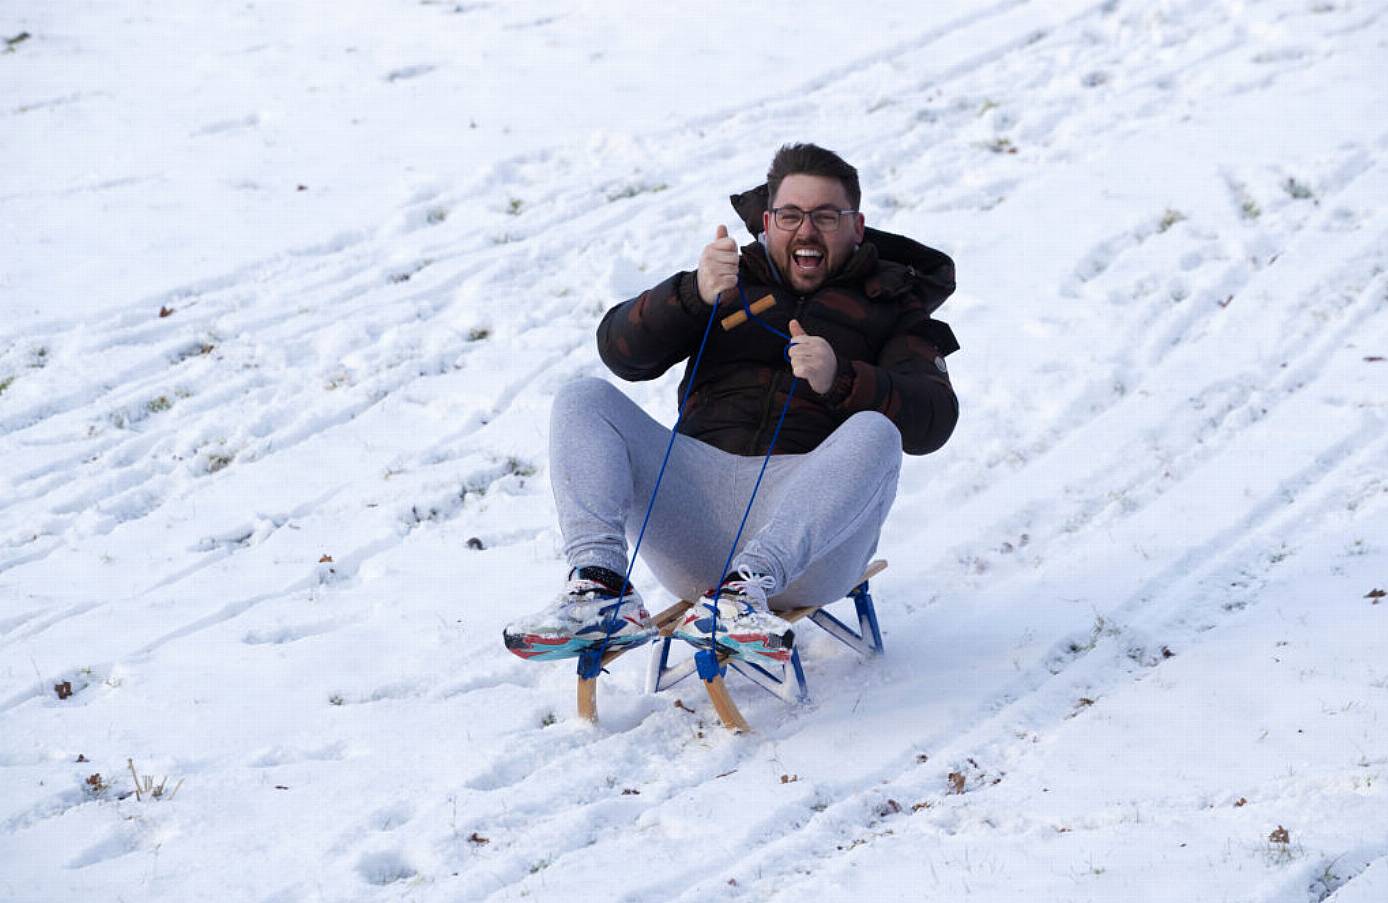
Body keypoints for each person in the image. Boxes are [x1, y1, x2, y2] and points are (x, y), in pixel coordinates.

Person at [504, 143, 960, 666]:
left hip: (808, 539)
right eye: (791, 215)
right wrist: (693, 295)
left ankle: (745, 593)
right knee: (583, 397)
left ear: (857, 227)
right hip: (697, 513)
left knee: (876, 433)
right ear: (767, 221)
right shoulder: (727, 278)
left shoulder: (895, 306)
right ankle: (599, 588)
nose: (806, 231)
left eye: (826, 217)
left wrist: (842, 378)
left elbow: (934, 423)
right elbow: (621, 354)